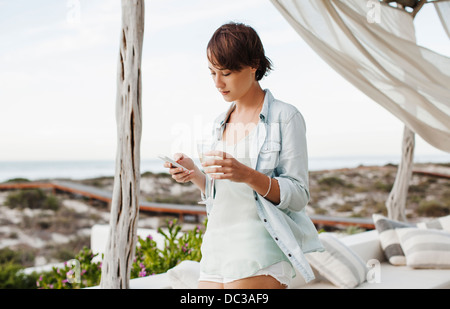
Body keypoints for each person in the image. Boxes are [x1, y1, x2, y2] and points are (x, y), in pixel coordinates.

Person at [163, 22, 323, 289]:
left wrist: (248, 174)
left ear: (253, 65)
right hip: (216, 247)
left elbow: (298, 196)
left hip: (259, 247)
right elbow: (223, 193)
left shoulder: (286, 117)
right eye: (212, 72)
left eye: (225, 72)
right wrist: (194, 174)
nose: (217, 82)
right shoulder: (219, 123)